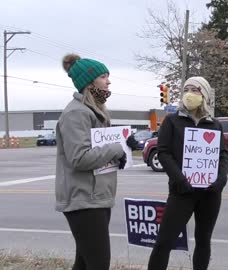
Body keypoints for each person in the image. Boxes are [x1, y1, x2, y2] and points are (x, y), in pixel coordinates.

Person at [55, 53, 135, 270]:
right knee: (98, 264)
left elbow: (101, 150)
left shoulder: (94, 112)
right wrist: (115, 149)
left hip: (96, 198)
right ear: (89, 83)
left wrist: (123, 148)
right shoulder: (76, 114)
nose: (108, 81)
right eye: (103, 76)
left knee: (84, 263)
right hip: (83, 199)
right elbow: (79, 158)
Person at [147, 76, 228, 270]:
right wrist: (180, 179)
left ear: (205, 95)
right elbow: (164, 152)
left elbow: (222, 155)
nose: (190, 94)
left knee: (203, 241)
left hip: (209, 194)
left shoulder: (214, 125)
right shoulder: (172, 121)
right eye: (187, 89)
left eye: (196, 90)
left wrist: (221, 179)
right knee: (163, 242)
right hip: (182, 192)